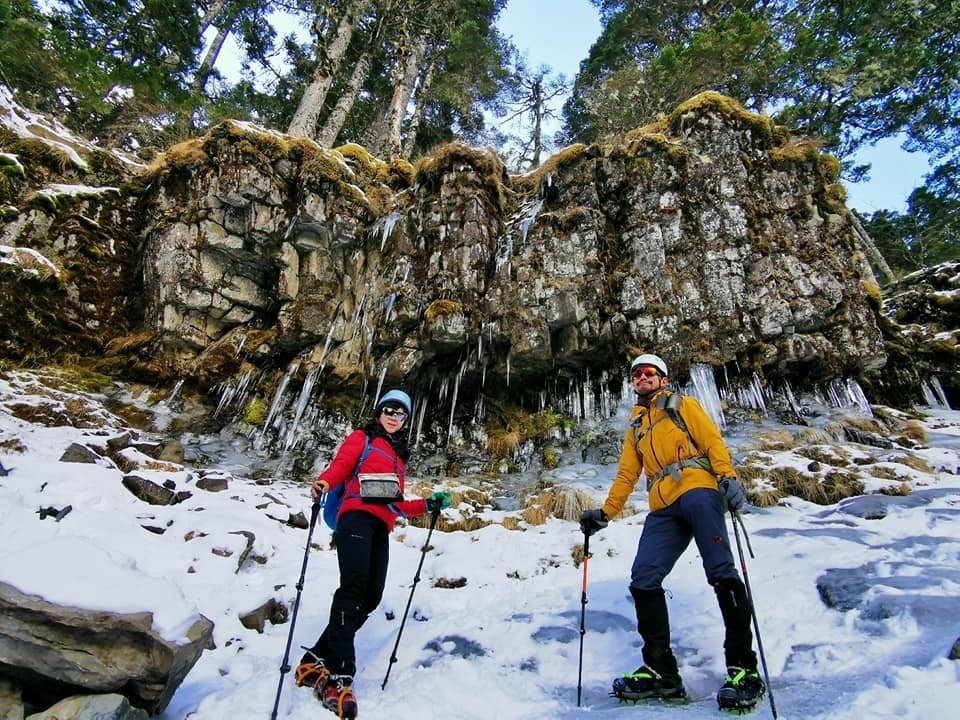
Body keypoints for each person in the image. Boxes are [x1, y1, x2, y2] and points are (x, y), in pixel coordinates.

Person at [579, 354, 765, 711]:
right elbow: (626, 475)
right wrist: (605, 513)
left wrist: (727, 477)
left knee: (721, 572)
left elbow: (711, 440)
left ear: (663, 379)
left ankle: (743, 668)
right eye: (636, 374)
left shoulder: (682, 405)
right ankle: (661, 672)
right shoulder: (636, 425)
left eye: (649, 373)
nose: (642, 378)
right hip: (662, 507)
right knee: (644, 577)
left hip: (697, 491)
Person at [295, 389, 450, 719]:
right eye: (390, 410)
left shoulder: (399, 457)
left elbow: (396, 502)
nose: (394, 417)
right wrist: (323, 482)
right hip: (354, 517)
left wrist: (428, 505)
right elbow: (341, 466)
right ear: (379, 411)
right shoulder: (362, 439)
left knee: (372, 597)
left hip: (382, 527)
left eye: (401, 414)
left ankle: (316, 657)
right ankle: (340, 672)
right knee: (353, 588)